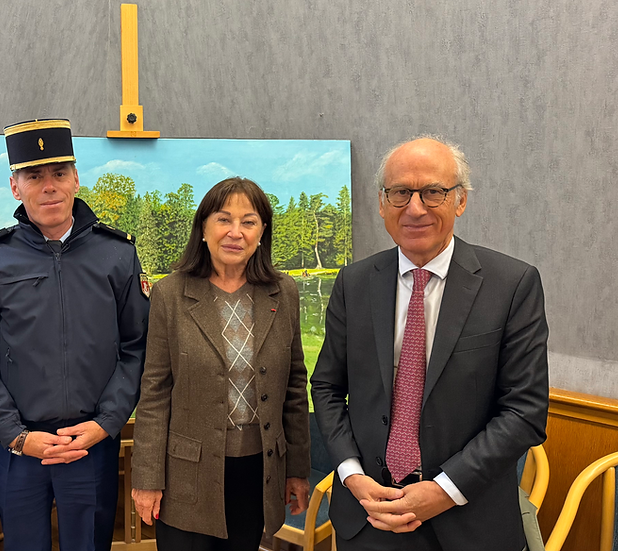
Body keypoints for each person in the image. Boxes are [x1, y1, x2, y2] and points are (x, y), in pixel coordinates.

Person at [310, 137, 549, 551]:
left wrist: (443, 490)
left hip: (467, 522)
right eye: (401, 192)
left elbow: (525, 411)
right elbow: (327, 388)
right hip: (369, 519)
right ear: (382, 203)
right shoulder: (354, 283)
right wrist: (352, 475)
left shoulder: (512, 285)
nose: (415, 208)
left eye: (432, 192)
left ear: (460, 201)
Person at [0, 118, 149, 551]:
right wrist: (17, 436)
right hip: (19, 449)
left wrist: (106, 423)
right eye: (34, 176)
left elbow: (137, 347)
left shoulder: (117, 254)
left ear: (75, 179)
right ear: (15, 186)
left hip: (90, 445)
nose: (49, 186)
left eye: (59, 173)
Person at [131, 177, 311, 551]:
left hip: (257, 472)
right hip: (187, 474)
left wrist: (297, 470)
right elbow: (154, 393)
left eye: (249, 221)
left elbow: (294, 387)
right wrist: (146, 477)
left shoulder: (284, 292)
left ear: (262, 232)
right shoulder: (170, 294)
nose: (236, 232)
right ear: (203, 229)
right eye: (223, 219)